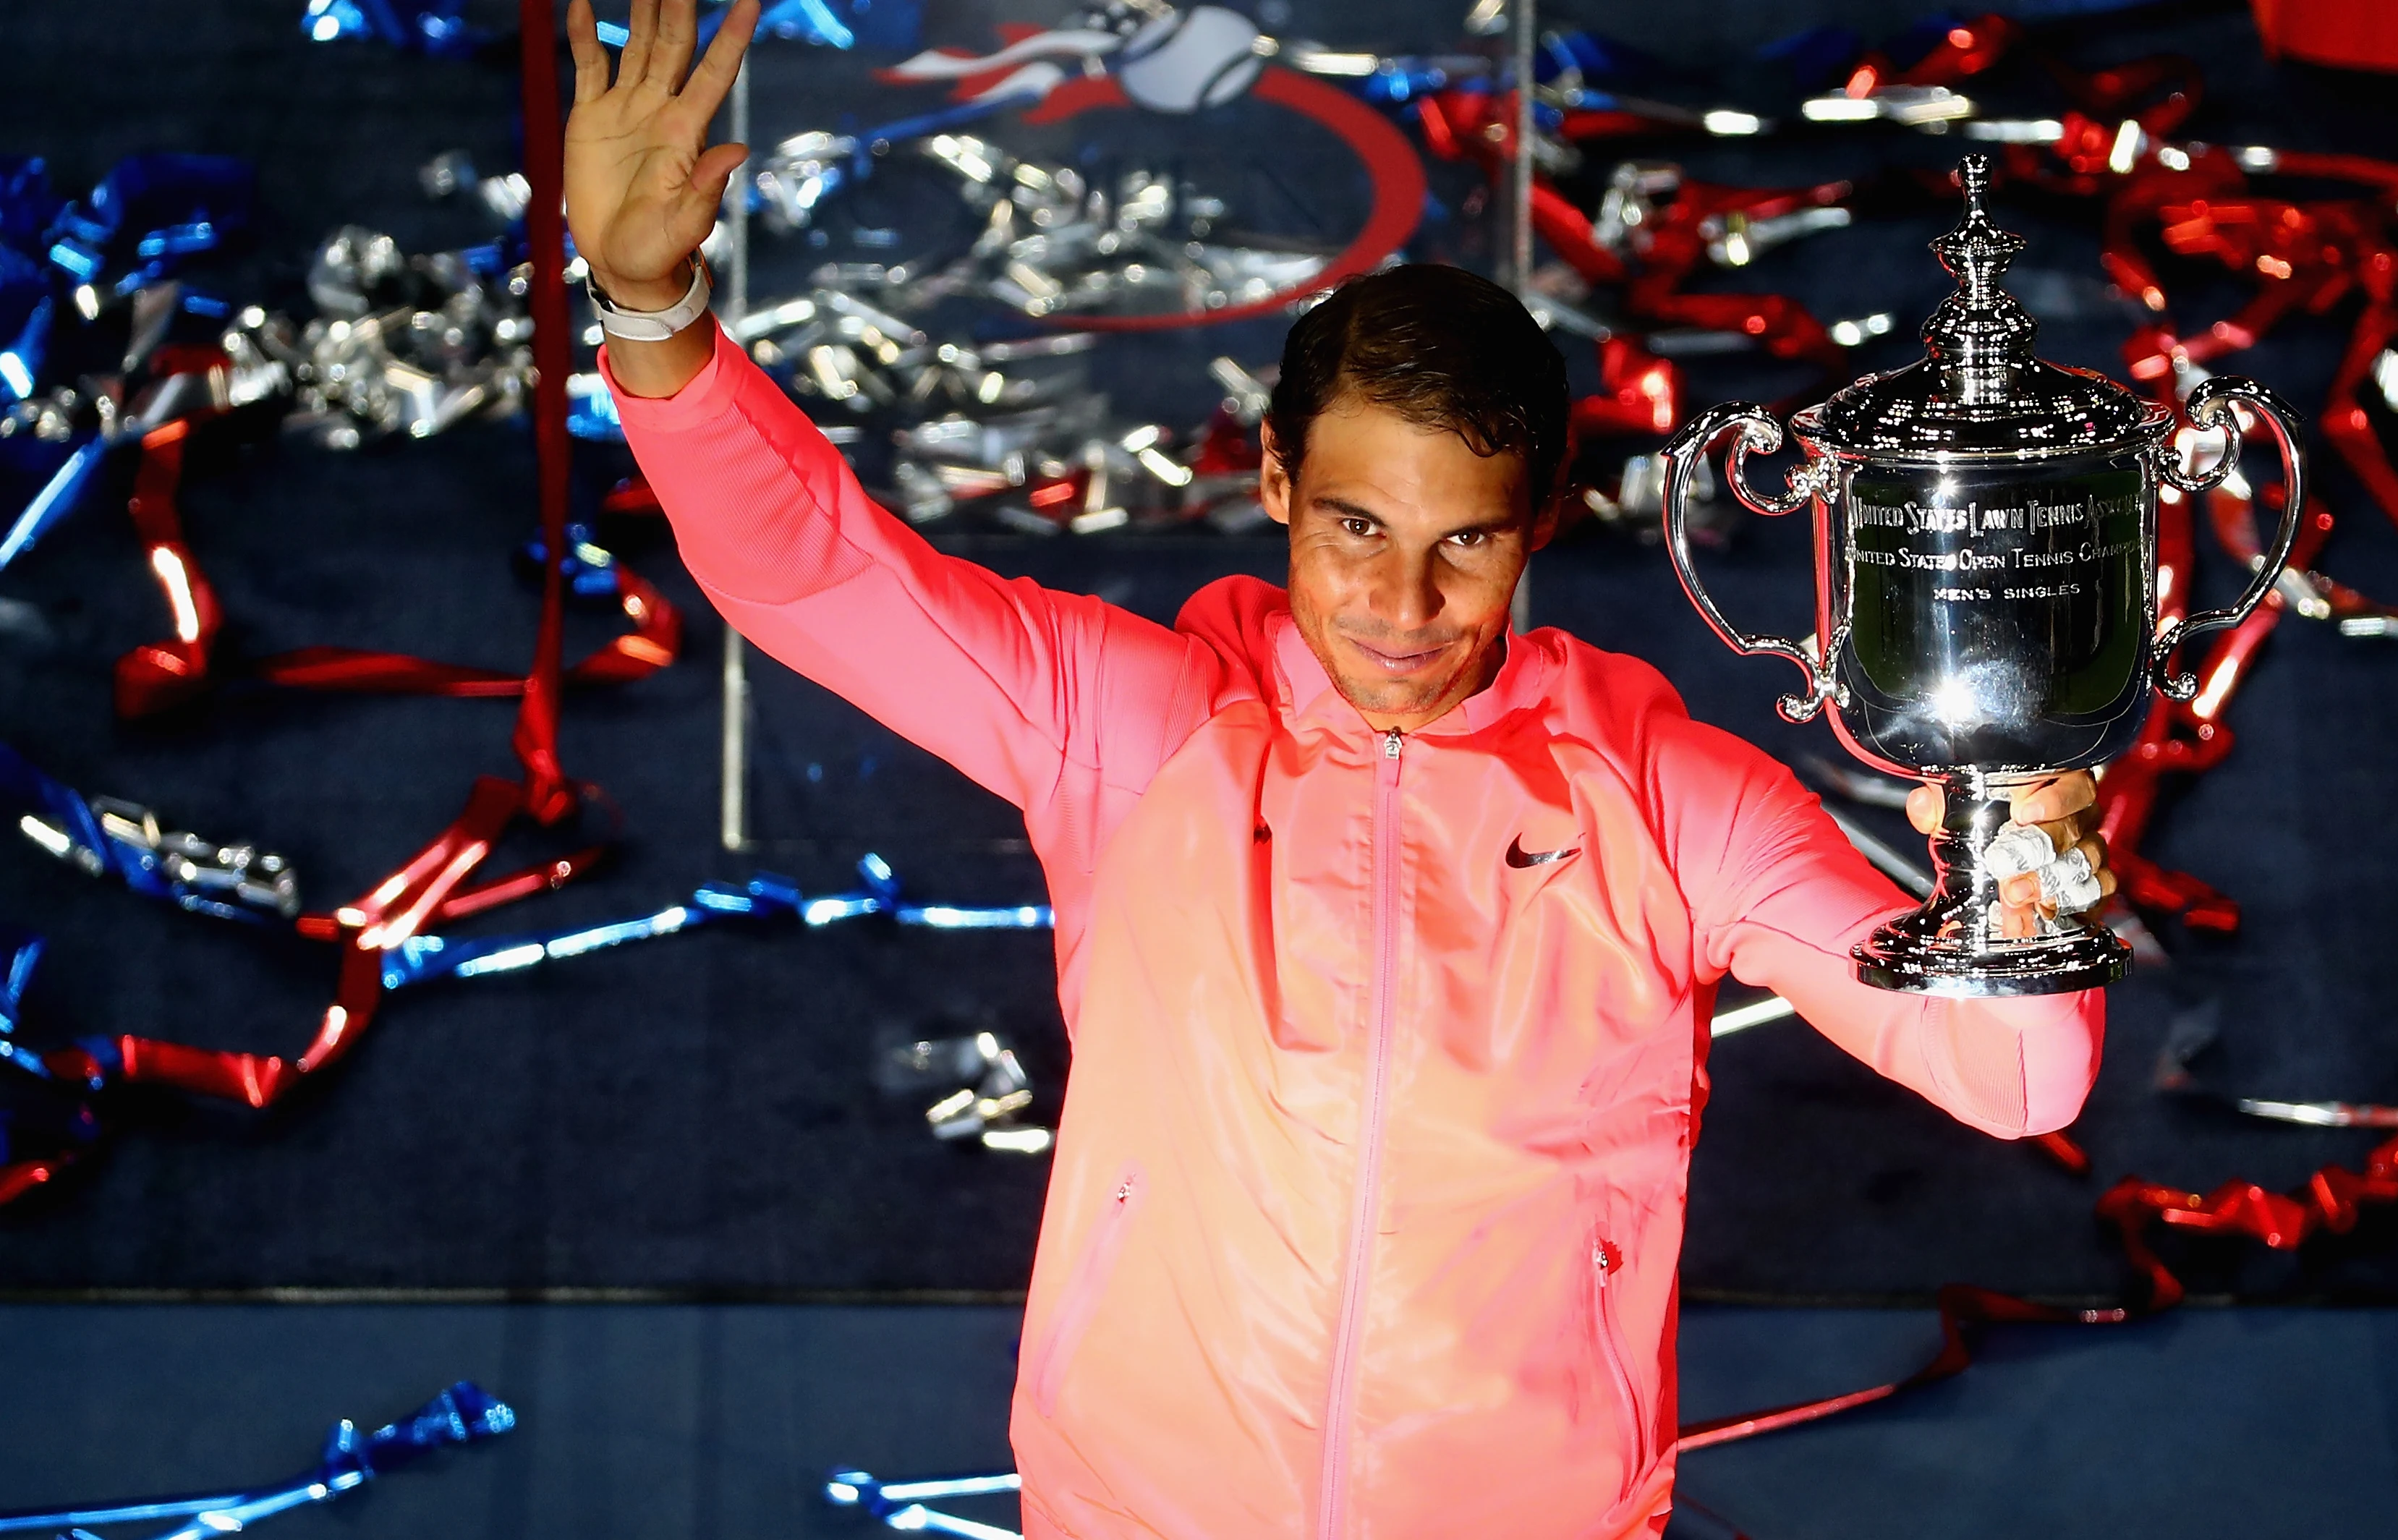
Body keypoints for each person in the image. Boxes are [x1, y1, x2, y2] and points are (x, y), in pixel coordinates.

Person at [566, 4, 2111, 1535]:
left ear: (1540, 524)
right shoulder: (1135, 725)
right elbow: (814, 578)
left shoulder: (1663, 800)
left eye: (1465, 544)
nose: (1401, 607)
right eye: (1354, 528)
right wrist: (650, 310)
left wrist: (2028, 845)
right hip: (1141, 1509)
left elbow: (2012, 1079)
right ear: (1275, 481)